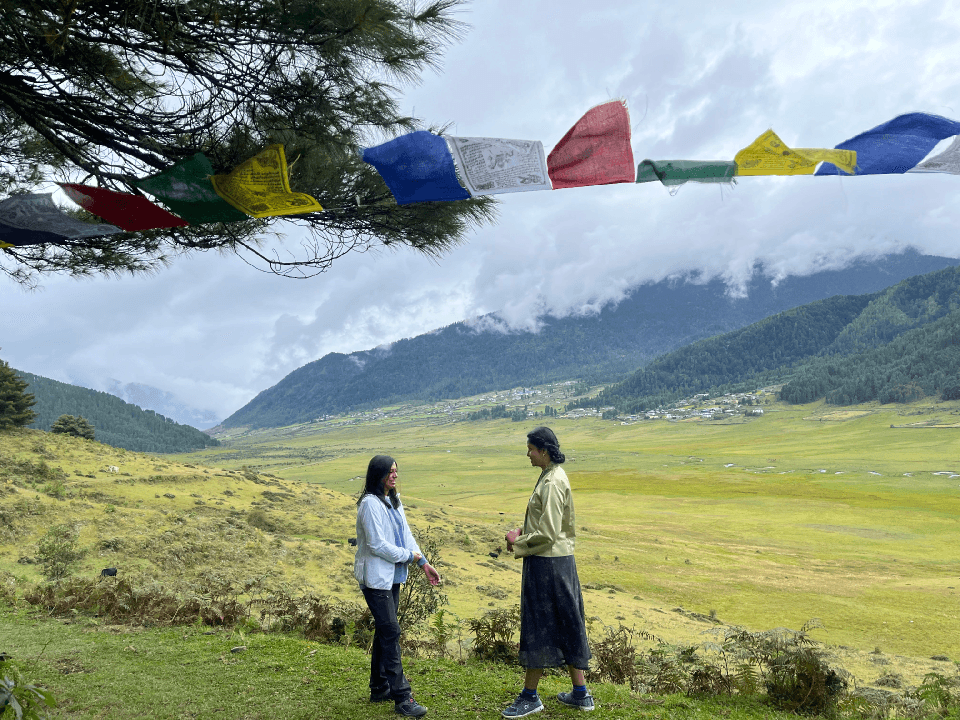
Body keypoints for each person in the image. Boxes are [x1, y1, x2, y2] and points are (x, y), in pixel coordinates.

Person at [502, 427, 594, 717]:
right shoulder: (551, 475)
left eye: (531, 449)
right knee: (567, 622)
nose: (528, 454)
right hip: (558, 562)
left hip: (547, 563)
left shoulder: (552, 481)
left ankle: (530, 696)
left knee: (539, 626)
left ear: (543, 451)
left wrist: (518, 542)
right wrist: (523, 530)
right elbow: (545, 522)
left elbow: (549, 533)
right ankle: (580, 693)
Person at [354, 455, 441, 718]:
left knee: (385, 630)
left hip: (392, 577)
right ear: (378, 474)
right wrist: (408, 557)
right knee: (391, 631)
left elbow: (406, 534)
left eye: (396, 471)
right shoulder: (369, 504)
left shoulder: (393, 500)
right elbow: (377, 545)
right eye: (390, 471)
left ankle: (379, 687)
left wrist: (423, 562)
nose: (394, 475)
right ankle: (402, 697)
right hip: (375, 579)